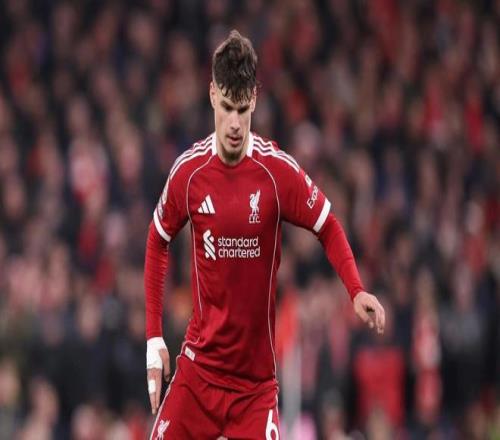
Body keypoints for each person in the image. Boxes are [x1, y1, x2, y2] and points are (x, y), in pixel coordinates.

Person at [144, 29, 385, 439]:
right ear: (212, 95)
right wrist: (154, 339)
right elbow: (157, 239)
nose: (234, 123)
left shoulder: (277, 173)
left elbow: (328, 224)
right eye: (226, 107)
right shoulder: (190, 173)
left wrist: (356, 289)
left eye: (242, 109)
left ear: (254, 99)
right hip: (198, 374)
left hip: (254, 389)